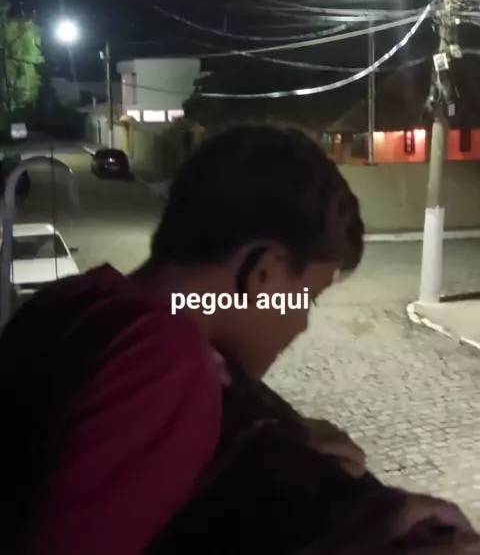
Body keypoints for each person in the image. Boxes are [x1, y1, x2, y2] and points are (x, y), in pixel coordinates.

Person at [0, 124, 476, 554]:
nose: (301, 324)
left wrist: (282, 447)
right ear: (264, 272)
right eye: (308, 298)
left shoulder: (74, 299)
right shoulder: (162, 361)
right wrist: (366, 539)